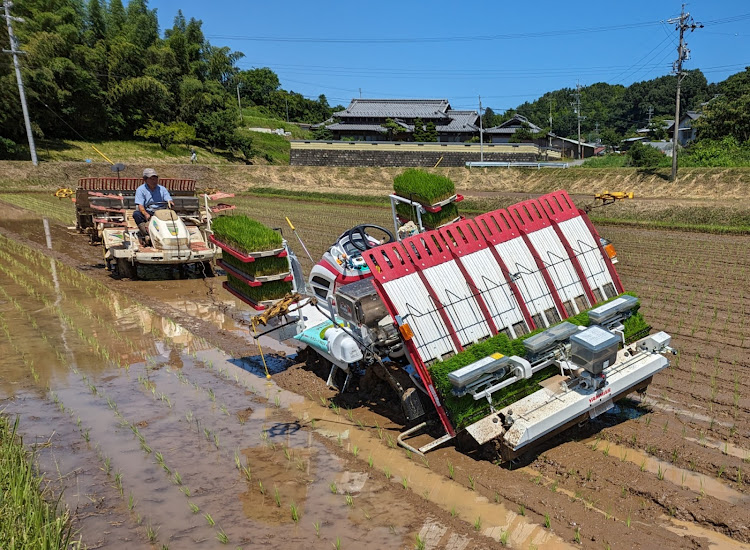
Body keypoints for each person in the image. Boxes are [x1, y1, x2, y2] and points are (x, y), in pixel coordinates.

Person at [133, 168, 174, 241]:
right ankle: (146, 233)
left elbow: (168, 199)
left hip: (162, 211)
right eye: (151, 179)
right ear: (145, 180)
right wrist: (145, 214)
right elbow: (140, 205)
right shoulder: (141, 190)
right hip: (149, 210)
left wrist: (170, 202)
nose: (154, 181)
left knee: (174, 215)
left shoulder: (162, 189)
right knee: (136, 214)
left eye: (155, 178)